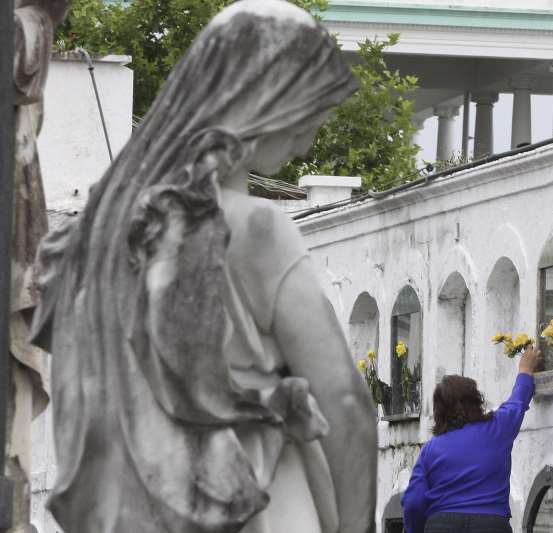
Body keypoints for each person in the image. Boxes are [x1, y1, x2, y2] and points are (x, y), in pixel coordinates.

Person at [29, 1, 376, 532]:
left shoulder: (92, 239)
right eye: (310, 110)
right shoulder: (256, 229)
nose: (311, 136)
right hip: (255, 508)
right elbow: (347, 405)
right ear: (266, 99)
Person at [402, 345, 542, 533]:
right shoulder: (498, 428)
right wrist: (525, 369)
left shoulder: (431, 449)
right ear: (476, 401)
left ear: (439, 411)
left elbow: (413, 502)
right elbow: (518, 400)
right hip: (491, 525)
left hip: (442, 525)